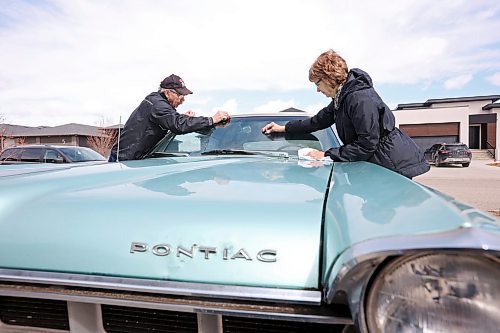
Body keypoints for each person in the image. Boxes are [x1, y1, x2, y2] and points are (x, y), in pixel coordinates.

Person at [261, 50, 429, 179]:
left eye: (318, 83)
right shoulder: (341, 99)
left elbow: (366, 144)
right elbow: (316, 122)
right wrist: (283, 128)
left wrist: (326, 154)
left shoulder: (360, 99)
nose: (317, 89)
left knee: (381, 217)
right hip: (377, 162)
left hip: (392, 164)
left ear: (329, 77)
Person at [109, 74, 230, 161]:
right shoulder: (158, 105)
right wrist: (211, 120)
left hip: (134, 159)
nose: (182, 99)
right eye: (180, 95)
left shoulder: (156, 102)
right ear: (168, 92)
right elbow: (178, 125)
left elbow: (171, 121)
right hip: (125, 161)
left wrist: (182, 118)